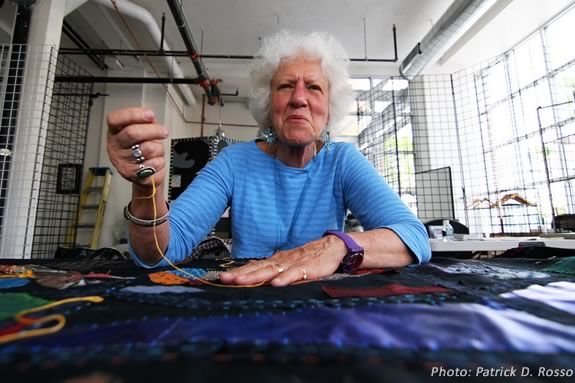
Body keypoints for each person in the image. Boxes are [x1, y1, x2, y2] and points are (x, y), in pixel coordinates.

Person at [106, 30, 431, 286]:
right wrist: (145, 189)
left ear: (330, 107)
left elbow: (414, 238)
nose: (299, 99)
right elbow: (159, 254)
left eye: (314, 88)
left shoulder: (341, 160)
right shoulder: (235, 162)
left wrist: (336, 246)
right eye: (286, 86)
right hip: (245, 297)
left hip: (322, 304)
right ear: (268, 103)